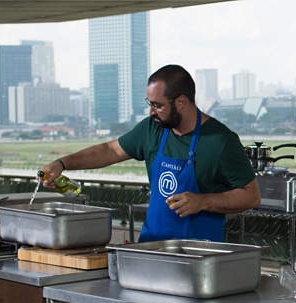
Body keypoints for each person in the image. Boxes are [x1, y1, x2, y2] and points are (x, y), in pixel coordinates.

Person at [39, 64, 260, 243]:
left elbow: (251, 195)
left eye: (157, 105)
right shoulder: (152, 128)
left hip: (199, 258)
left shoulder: (220, 140)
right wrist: (62, 163)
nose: (151, 111)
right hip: (151, 248)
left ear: (181, 102)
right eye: (149, 104)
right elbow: (110, 150)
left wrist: (202, 202)